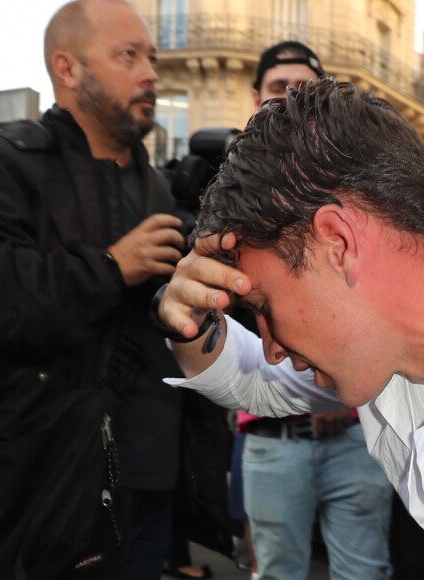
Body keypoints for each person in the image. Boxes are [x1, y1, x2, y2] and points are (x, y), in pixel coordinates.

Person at [0, 1, 205, 578]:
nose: (150, 73)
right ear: (68, 68)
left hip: (145, 482)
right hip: (29, 490)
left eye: (151, 57)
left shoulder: (160, 191)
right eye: (128, 55)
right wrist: (108, 268)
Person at [152, 76, 424, 532]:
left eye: (262, 304)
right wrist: (189, 318)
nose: (272, 347)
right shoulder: (381, 358)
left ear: (338, 244)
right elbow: (256, 381)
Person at [227, 41, 392, 580]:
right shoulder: (229, 197)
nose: (289, 104)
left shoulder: (366, 194)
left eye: (304, 93)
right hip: (273, 438)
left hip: (358, 436)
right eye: (278, 91)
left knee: (364, 571)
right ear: (255, 99)